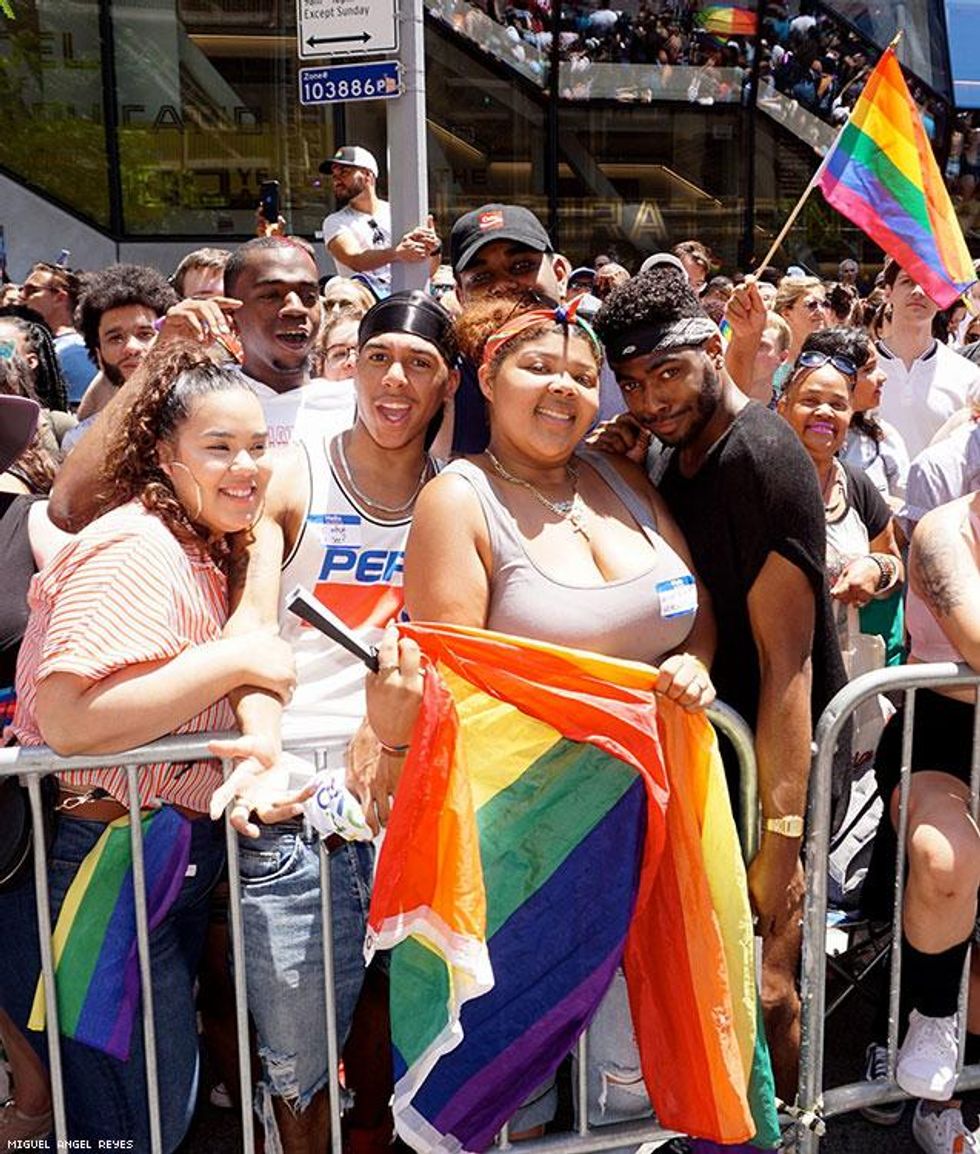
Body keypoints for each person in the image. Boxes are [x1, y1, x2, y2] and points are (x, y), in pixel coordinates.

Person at [403, 291, 716, 1136]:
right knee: (521, 1084)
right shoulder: (458, 500)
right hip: (527, 841)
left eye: (582, 376)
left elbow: (692, 608)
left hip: (657, 821)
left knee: (632, 1069)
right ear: (487, 378)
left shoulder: (619, 473)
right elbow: (453, 686)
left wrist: (693, 666)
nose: (564, 389)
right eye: (538, 367)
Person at [0, 342, 296, 1153]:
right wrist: (233, 662)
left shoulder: (197, 539)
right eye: (219, 448)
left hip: (150, 855)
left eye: (258, 448)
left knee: (153, 1110)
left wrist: (261, 549)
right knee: (134, 1122)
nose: (246, 467)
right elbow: (68, 718)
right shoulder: (139, 548)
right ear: (164, 455)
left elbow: (249, 650)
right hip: (102, 865)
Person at [209, 291, 461, 1154]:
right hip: (299, 802)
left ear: (447, 384)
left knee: (408, 1053)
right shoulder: (297, 473)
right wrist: (262, 745)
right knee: (298, 1063)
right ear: (348, 365)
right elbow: (249, 629)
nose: (395, 378)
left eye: (420, 363)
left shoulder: (456, 494)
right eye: (378, 355)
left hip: (416, 796)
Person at [593, 266, 846, 1099]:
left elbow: (789, 671)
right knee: (712, 982)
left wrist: (784, 842)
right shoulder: (669, 449)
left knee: (770, 986)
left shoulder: (765, 460)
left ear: (711, 349)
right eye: (631, 382)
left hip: (775, 765)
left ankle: (788, 1133)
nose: (651, 398)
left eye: (666, 372)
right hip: (711, 755)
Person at [864, 492, 980, 1154]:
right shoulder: (944, 529)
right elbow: (976, 636)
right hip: (937, 742)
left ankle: (955, 1108)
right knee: (945, 859)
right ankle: (930, 1020)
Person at [876, 258, 980, 461]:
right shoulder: (860, 370)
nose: (918, 291)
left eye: (927, 284)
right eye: (907, 282)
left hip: (947, 493)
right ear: (888, 293)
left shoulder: (969, 376)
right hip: (870, 492)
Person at [319, 146, 440, 297]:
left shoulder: (400, 214)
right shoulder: (335, 222)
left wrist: (433, 248)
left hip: (405, 300)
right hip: (364, 307)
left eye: (344, 172)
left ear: (368, 175)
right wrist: (397, 253)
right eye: (334, 175)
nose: (337, 180)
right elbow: (355, 259)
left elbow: (428, 271)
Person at [72, 263, 179, 423]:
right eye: (115, 338)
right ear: (98, 353)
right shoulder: (81, 440)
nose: (131, 348)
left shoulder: (201, 412)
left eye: (145, 334)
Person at [17, 263, 95, 406]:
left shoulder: (76, 351)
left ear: (59, 297)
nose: (21, 296)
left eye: (31, 290)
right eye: (21, 289)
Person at [773, 274, 830, 364]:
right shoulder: (770, 363)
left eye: (823, 304)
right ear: (786, 313)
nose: (820, 311)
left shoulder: (831, 360)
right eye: (811, 305)